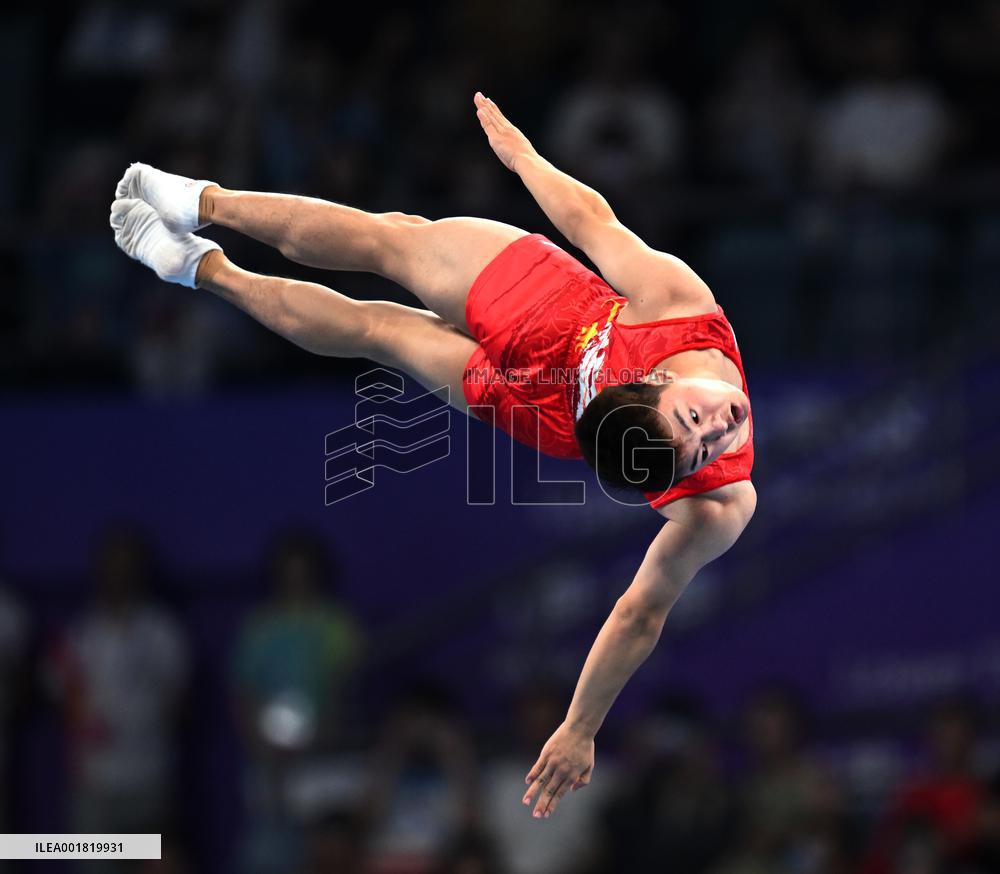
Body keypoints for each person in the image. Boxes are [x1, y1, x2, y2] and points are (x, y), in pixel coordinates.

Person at [109, 91, 758, 820]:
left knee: (380, 330)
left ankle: (203, 270)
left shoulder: (719, 502)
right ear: (659, 377)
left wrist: (579, 728)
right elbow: (589, 222)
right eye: (698, 420)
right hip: (561, 311)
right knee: (392, 240)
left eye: (700, 446)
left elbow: (639, 612)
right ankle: (204, 201)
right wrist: (525, 160)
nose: (722, 429)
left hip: (546, 410)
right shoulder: (676, 305)